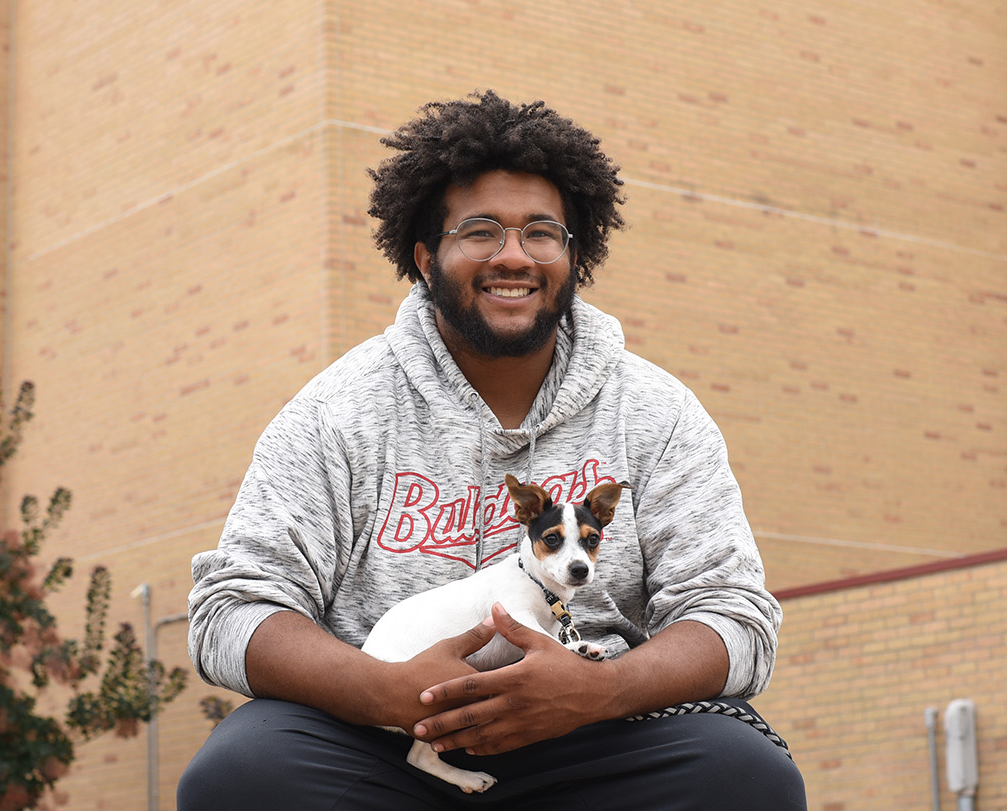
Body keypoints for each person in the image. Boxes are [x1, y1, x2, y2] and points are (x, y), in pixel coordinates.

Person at [179, 90, 805, 809]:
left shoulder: (657, 414)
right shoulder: (336, 412)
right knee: (241, 773)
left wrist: (602, 689)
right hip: (381, 740)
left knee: (742, 772)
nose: (513, 255)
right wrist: (378, 685)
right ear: (425, 257)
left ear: (575, 255)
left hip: (594, 733)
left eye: (541, 232)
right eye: (480, 230)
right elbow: (232, 608)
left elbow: (733, 614)